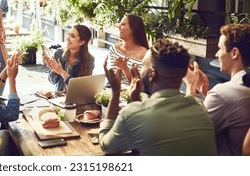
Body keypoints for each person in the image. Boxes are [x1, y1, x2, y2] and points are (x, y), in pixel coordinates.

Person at [99, 39, 217, 156]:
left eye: (143, 65)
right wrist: (135, 99)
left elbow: (106, 145)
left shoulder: (132, 113)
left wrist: (115, 93)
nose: (140, 69)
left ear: (152, 73)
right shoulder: (200, 109)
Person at [185, 24, 250, 155]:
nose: (216, 54)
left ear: (234, 53)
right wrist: (206, 92)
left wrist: (190, 87)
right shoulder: (241, 87)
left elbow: (189, 137)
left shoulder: (223, 93)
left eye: (220, 49)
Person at [43, 24, 95, 92]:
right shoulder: (58, 54)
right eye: (68, 34)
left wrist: (62, 72)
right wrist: (54, 71)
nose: (67, 38)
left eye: (72, 36)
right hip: (58, 98)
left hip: (77, 99)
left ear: (81, 42)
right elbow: (52, 82)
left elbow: (82, 87)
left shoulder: (89, 60)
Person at [107, 14, 149, 86]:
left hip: (133, 93)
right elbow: (112, 78)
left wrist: (125, 69)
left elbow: (139, 84)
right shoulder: (115, 49)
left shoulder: (145, 54)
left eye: (123, 24)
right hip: (113, 89)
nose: (118, 26)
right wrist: (119, 69)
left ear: (134, 29)